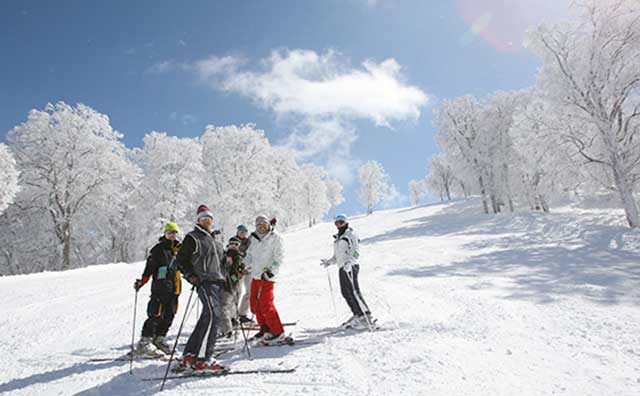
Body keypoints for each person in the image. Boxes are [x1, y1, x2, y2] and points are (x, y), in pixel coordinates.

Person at [176, 205, 226, 372]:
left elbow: (221, 262)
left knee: (208, 315)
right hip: (204, 280)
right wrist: (190, 276)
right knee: (213, 315)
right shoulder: (193, 237)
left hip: (217, 282)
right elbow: (181, 260)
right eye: (203, 219)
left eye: (209, 219)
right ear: (198, 221)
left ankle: (190, 353)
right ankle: (203, 359)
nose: (207, 221)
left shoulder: (214, 239)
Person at [133, 221, 182, 356]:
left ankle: (159, 339)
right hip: (160, 288)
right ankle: (144, 342)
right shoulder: (158, 250)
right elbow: (149, 268)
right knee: (156, 314)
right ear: (165, 234)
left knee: (170, 314)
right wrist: (142, 282)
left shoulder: (179, 250)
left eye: (174, 233)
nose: (172, 235)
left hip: (175, 288)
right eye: (169, 232)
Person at [321, 214, 374, 330]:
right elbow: (337, 256)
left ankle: (365, 315)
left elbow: (356, 251)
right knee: (345, 292)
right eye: (336, 223)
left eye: (341, 222)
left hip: (351, 266)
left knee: (354, 291)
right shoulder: (338, 238)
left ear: (345, 222)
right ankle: (357, 314)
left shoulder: (351, 234)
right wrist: (329, 262)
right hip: (342, 267)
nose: (338, 225)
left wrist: (350, 263)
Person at [245, 215, 290, 345]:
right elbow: (249, 255)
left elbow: (279, 257)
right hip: (256, 275)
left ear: (268, 224)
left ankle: (277, 331)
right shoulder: (253, 238)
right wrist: (243, 264)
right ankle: (265, 328)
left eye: (263, 224)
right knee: (254, 304)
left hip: (267, 276)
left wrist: (271, 271)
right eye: (258, 224)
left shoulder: (275, 238)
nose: (261, 226)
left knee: (266, 304)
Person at [219, 236, 245, 337]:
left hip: (231, 286)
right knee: (225, 306)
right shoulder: (223, 255)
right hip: (222, 284)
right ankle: (228, 325)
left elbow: (238, 273)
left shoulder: (239, 257)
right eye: (231, 244)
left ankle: (227, 329)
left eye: (236, 244)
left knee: (225, 306)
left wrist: (233, 278)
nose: (233, 246)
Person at [235, 224, 253, 324]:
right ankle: (233, 315)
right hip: (238, 271)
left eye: (244, 232)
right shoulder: (234, 240)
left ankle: (243, 314)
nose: (243, 234)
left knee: (250, 292)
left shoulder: (249, 241)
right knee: (238, 292)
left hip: (249, 270)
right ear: (237, 232)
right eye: (241, 232)